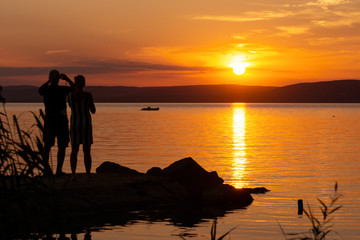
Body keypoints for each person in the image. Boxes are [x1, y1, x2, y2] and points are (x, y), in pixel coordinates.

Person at [39, 69, 75, 176]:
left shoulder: (48, 89)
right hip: (59, 120)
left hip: (53, 120)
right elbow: (74, 88)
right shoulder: (61, 89)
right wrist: (67, 79)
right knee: (60, 145)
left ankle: (48, 170)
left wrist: (49, 81)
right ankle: (56, 170)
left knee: (49, 146)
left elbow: (40, 90)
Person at [68, 75, 96, 179]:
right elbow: (93, 110)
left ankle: (73, 174)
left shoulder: (70, 96)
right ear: (84, 84)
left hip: (74, 124)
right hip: (86, 125)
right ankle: (88, 174)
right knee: (87, 150)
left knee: (74, 150)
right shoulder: (88, 95)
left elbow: (71, 106)